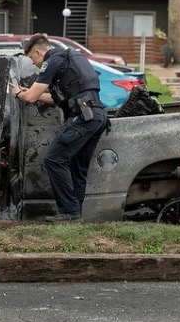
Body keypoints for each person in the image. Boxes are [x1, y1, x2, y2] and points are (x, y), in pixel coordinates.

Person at [8, 33, 109, 222]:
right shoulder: (71, 57)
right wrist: (26, 92)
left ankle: (69, 211)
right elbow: (53, 99)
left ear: (38, 52)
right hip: (96, 116)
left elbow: (30, 98)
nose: (33, 63)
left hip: (82, 117)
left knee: (54, 159)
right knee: (76, 167)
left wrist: (18, 93)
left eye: (31, 58)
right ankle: (75, 215)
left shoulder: (52, 61)